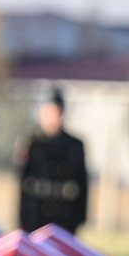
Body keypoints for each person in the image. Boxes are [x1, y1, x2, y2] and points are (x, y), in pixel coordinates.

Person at [16, 86, 88, 233]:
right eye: (50, 111)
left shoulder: (74, 145)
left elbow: (82, 185)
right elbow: (24, 184)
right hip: (36, 220)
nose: (54, 116)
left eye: (57, 111)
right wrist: (23, 221)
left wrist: (79, 220)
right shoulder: (33, 144)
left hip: (65, 220)